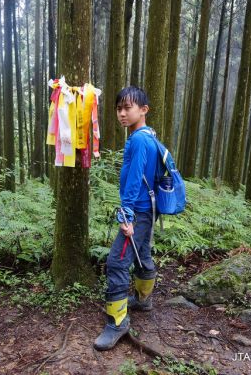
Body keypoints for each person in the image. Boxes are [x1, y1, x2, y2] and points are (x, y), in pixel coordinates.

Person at [94, 86, 158, 351]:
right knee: (141, 252)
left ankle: (117, 322)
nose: (122, 113)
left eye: (127, 108)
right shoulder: (146, 135)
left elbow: (134, 180)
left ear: (143, 110)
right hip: (147, 210)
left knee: (117, 262)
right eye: (119, 108)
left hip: (138, 212)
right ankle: (143, 300)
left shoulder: (140, 139)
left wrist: (126, 215)